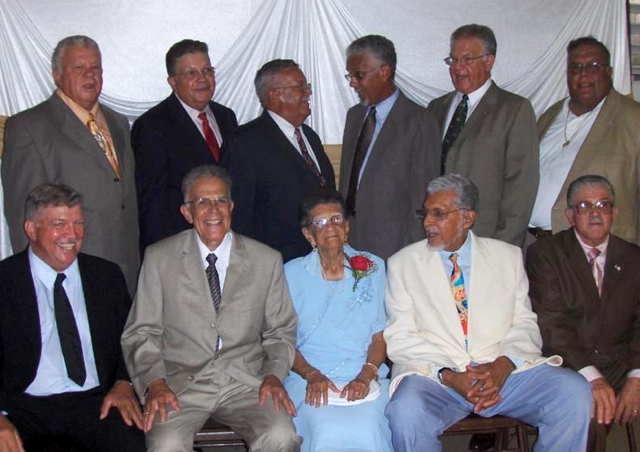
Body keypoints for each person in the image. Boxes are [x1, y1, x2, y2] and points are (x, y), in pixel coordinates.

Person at [383, 174, 592, 452]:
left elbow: (525, 323)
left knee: (574, 393)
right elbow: (401, 337)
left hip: (505, 375)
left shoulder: (508, 257)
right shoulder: (402, 264)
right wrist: (450, 375)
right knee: (405, 412)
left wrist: (503, 365)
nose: (427, 222)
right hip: (436, 378)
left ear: (467, 218)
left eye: (438, 214)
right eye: (426, 213)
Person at [121, 165, 300, 452]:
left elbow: (281, 331)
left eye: (220, 201)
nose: (213, 210)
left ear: (231, 206)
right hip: (180, 384)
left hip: (246, 382)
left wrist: (273, 375)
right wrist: (154, 381)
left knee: (281, 435)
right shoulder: (159, 258)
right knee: (166, 444)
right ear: (187, 212)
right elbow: (142, 332)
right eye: (202, 202)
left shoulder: (266, 260)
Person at [0, 183, 145, 452]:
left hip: (95, 403)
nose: (72, 234)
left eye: (78, 223)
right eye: (59, 224)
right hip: (24, 406)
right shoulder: (6, 280)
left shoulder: (105, 276)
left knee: (133, 445)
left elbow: (132, 337)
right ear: (31, 229)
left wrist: (124, 383)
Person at [2, 35, 139, 294]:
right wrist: (34, 284)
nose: (90, 75)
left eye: (95, 67)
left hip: (124, 270)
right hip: (67, 272)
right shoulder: (28, 127)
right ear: (58, 75)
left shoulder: (118, 123)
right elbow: (23, 213)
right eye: (79, 68)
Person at [527, 175, 640, 452]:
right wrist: (594, 379)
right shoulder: (544, 253)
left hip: (620, 362)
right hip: (568, 363)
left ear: (614, 212)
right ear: (570, 215)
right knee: (587, 416)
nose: (595, 212)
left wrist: (636, 377)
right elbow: (552, 326)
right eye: (584, 206)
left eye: (603, 204)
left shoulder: (634, 258)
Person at [284, 189, 393, 452]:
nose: (330, 227)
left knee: (369, 429)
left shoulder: (372, 267)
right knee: (327, 430)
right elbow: (282, 341)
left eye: (336, 219)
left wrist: (366, 375)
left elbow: (380, 336)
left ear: (346, 226)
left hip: (365, 375)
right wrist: (312, 375)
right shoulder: (291, 273)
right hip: (309, 380)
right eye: (319, 223)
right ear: (308, 234)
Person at [426, 24, 538, 248]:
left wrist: (503, 248)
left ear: (489, 61)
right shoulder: (435, 108)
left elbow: (520, 191)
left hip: (486, 241)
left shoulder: (514, 110)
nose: (458, 68)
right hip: (436, 239)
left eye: (467, 59)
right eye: (453, 60)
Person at [530, 37, 640, 246]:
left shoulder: (634, 120)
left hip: (601, 252)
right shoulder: (550, 116)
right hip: (535, 246)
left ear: (609, 72)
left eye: (593, 66)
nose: (583, 73)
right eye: (576, 67)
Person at [222, 59, 335, 263]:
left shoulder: (309, 136)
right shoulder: (244, 143)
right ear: (275, 95)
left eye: (307, 86)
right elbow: (239, 218)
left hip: (322, 261)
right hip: (277, 266)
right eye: (301, 87)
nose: (308, 92)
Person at [340, 35, 439, 260]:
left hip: (394, 247)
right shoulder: (354, 116)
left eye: (359, 75)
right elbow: (347, 183)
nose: (352, 83)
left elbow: (423, 197)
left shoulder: (419, 121)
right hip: (350, 243)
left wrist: (409, 254)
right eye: (350, 75)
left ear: (384, 72)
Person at [133, 39, 238, 252]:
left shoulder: (226, 117)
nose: (203, 79)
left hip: (229, 241)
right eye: (191, 73)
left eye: (207, 70)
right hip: (183, 247)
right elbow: (152, 203)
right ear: (172, 81)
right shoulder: (152, 126)